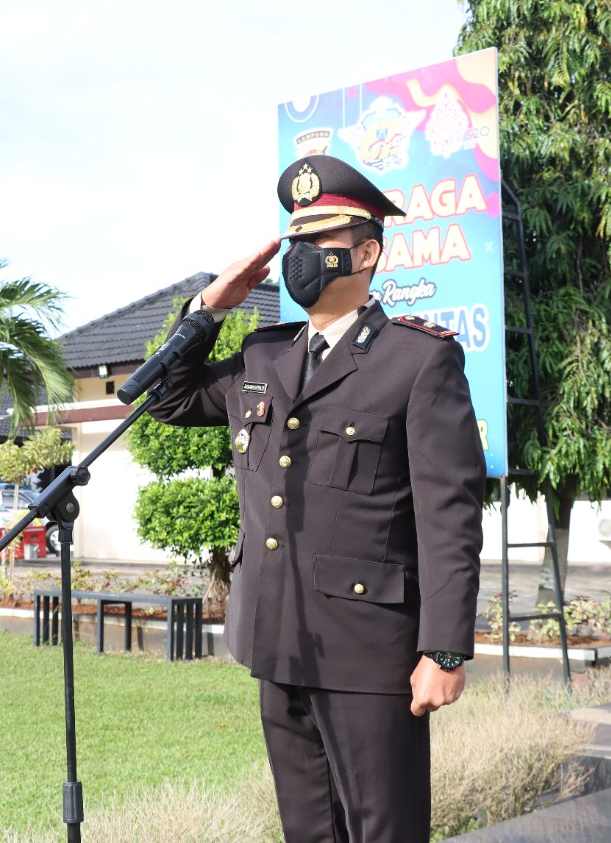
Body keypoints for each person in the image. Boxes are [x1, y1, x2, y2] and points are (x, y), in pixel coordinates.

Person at [148, 154, 486, 842]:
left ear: (367, 253)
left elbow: (448, 516)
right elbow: (168, 397)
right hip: (277, 638)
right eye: (295, 240)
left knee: (383, 830)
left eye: (320, 240)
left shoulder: (418, 360)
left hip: (369, 650)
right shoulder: (264, 356)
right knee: (307, 830)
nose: (301, 255)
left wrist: (445, 650)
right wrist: (211, 307)